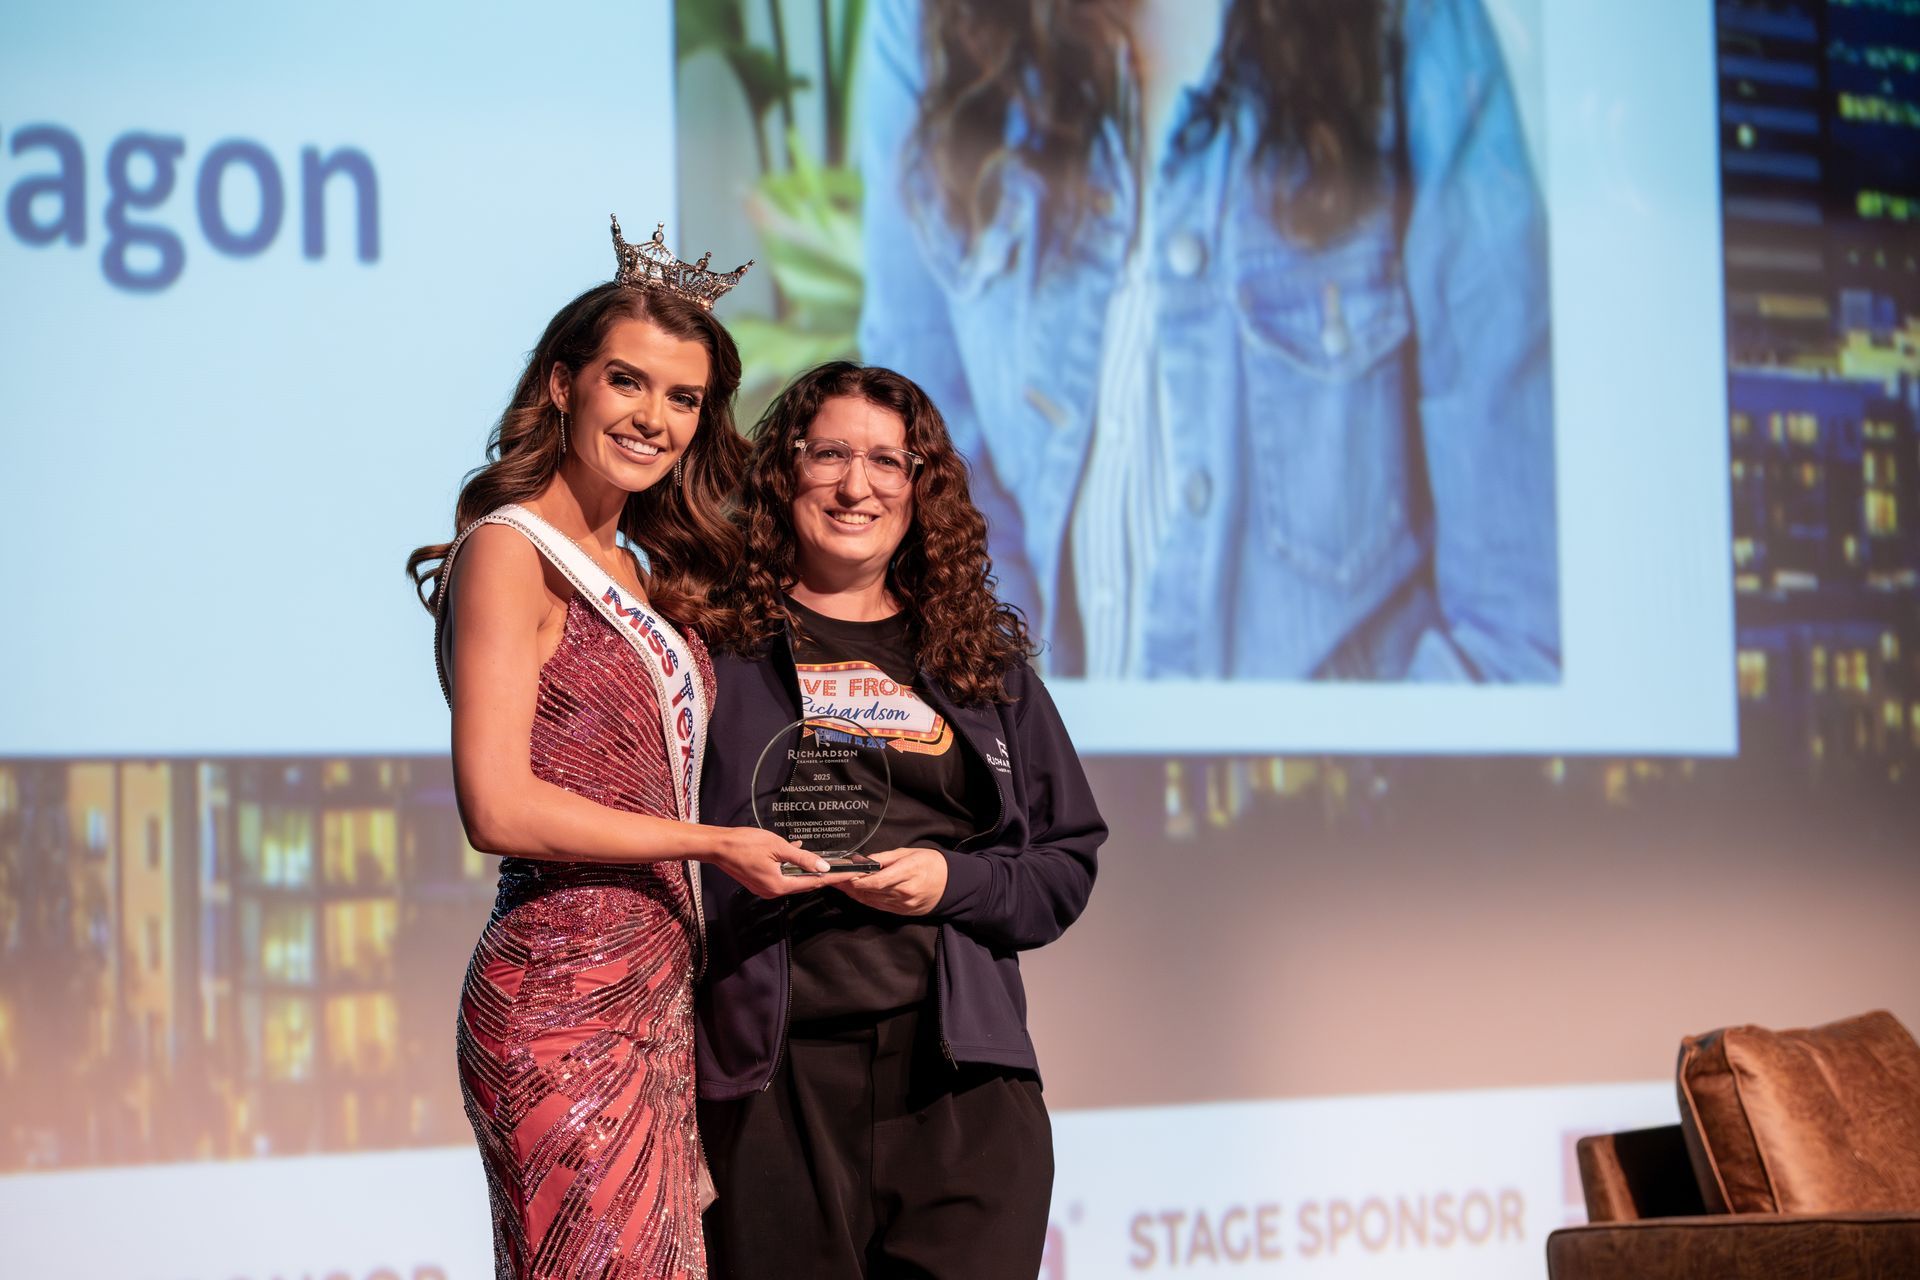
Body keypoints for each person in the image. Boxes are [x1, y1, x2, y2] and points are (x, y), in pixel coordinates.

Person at [856, 0, 1560, 682]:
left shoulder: (1409, 20)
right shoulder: (927, 23)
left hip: (1352, 791)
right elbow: (924, 490)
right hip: (1046, 783)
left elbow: (1511, 620)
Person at [407, 218, 847, 1280]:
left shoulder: (642, 563)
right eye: (627, 382)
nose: (654, 418)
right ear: (565, 385)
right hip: (559, 993)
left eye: (684, 398)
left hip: (657, 995)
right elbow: (498, 807)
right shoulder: (512, 555)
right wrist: (712, 842)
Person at [695, 361, 1106, 1278]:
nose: (858, 485)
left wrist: (951, 880)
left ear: (922, 486)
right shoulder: (711, 650)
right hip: (770, 1087)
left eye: (888, 460)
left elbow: (1066, 862)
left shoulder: (979, 664)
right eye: (830, 454)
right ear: (782, 470)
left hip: (958, 1087)